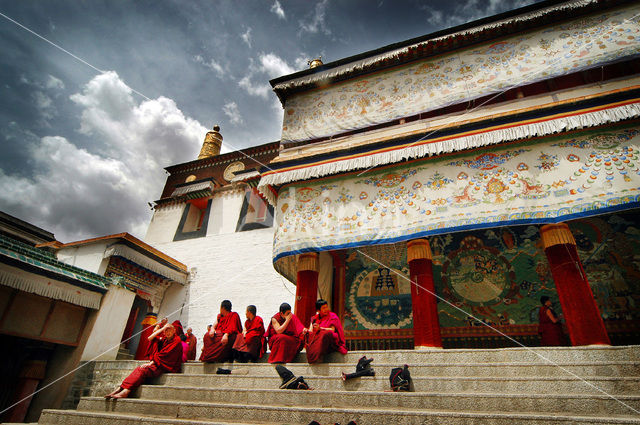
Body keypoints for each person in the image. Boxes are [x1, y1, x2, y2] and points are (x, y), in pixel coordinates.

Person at [105, 322, 182, 399]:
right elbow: (150, 338)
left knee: (142, 370)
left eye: (169, 330)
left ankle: (125, 391)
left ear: (174, 331)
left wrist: (151, 363)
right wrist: (162, 328)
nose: (167, 332)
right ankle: (120, 389)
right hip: (158, 363)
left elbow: (164, 355)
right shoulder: (165, 339)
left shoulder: (176, 340)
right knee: (140, 369)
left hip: (165, 366)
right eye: (166, 331)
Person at [304, 299, 348, 364]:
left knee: (325, 334)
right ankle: (313, 357)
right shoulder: (314, 318)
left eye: (326, 307)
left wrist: (320, 328)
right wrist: (306, 330)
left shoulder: (332, 316)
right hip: (318, 340)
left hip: (330, 341)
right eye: (324, 308)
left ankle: (319, 357)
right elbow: (310, 331)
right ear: (318, 310)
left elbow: (332, 330)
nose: (326, 309)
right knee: (308, 335)